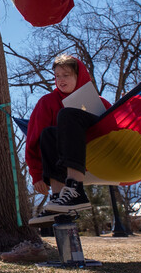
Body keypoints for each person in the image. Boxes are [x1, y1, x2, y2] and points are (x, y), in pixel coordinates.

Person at [25, 54, 110, 225]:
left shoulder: (98, 102)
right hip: (65, 162)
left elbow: (117, 128)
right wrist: (36, 174)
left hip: (98, 155)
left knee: (67, 114)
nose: (61, 80)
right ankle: (59, 200)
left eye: (66, 75)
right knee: (48, 133)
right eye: (57, 76)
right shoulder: (47, 102)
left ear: (79, 76)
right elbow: (34, 141)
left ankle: (75, 189)